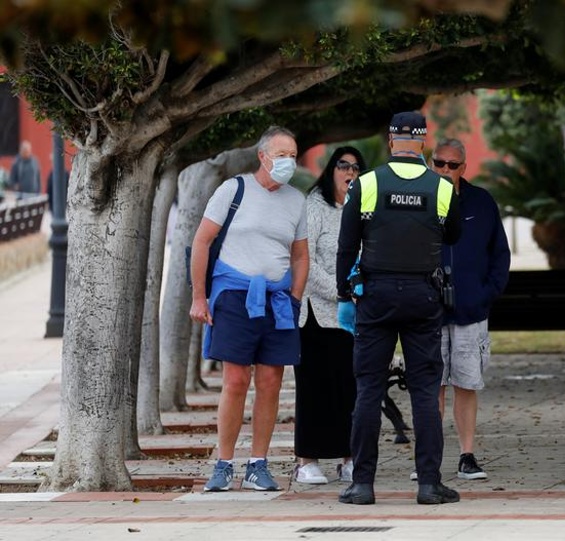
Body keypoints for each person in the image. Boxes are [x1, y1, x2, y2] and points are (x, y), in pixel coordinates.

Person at [336, 111, 462, 505]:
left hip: (376, 293)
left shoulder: (367, 183)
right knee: (425, 391)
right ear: (423, 143)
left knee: (368, 389)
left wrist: (347, 291)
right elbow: (454, 234)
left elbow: (346, 245)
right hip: (424, 295)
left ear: (391, 142)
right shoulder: (442, 187)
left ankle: (361, 485)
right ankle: (428, 484)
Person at [189, 126, 309, 492]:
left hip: (276, 300)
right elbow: (202, 241)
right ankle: (223, 463)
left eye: (293, 154)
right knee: (236, 380)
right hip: (234, 296)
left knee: (271, 382)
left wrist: (294, 296)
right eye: (281, 154)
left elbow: (300, 254)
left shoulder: (296, 200)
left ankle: (258, 463)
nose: (288, 161)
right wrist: (199, 296)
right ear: (263, 156)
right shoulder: (234, 190)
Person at [429, 138, 510, 481]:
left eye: (452, 165)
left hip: (470, 310)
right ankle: (429, 459)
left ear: (464, 167)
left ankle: (467, 455)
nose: (445, 170)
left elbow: (500, 254)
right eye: (439, 163)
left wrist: (485, 294)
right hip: (427, 311)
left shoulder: (481, 201)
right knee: (432, 386)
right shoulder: (420, 201)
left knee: (466, 382)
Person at [293, 147, 366, 485]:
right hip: (317, 317)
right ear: (331, 170)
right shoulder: (314, 206)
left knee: (349, 389)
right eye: (342, 165)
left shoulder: (364, 209)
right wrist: (340, 291)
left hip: (352, 318)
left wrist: (357, 291)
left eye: (355, 167)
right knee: (314, 389)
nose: (348, 172)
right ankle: (307, 459)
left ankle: (349, 458)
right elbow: (306, 262)